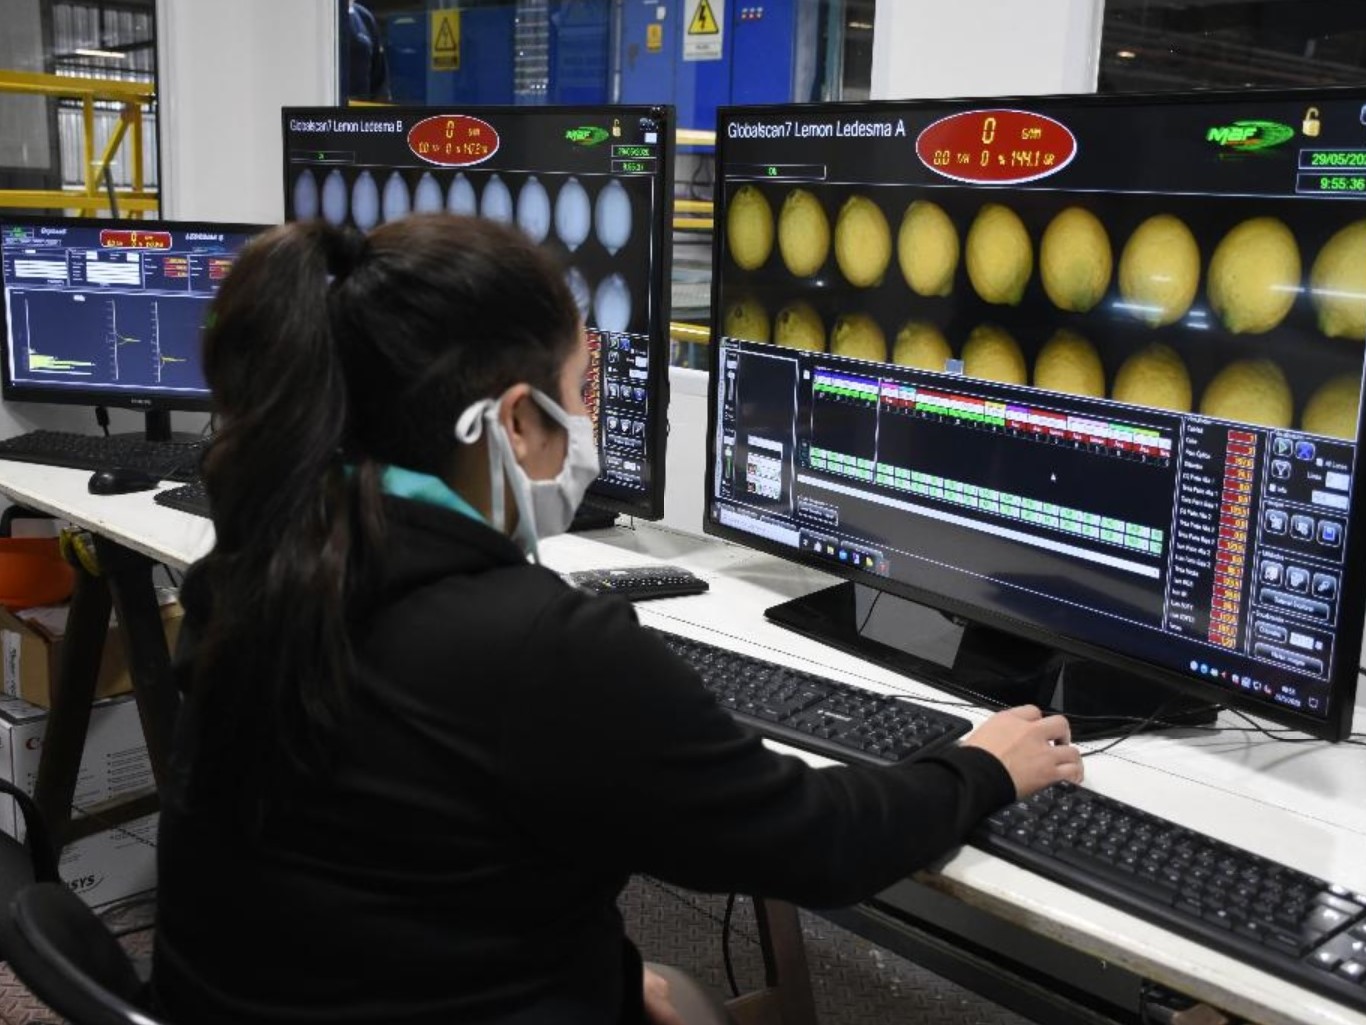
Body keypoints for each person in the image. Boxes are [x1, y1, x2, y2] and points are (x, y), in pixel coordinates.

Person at [152, 215, 1084, 1025]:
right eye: (579, 392)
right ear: (516, 423)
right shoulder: (533, 648)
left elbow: (358, 867)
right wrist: (977, 767)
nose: (588, 421)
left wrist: (582, 972)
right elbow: (815, 844)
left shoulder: (265, 566)